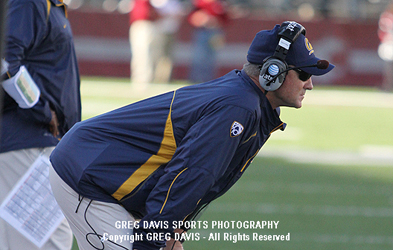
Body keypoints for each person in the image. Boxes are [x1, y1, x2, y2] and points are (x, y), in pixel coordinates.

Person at [49, 21, 334, 250]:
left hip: (104, 175)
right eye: (303, 74)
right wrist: (152, 240)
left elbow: (197, 178)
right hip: (88, 176)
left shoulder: (249, 104)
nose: (310, 84)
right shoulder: (238, 107)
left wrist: (174, 229)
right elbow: (188, 174)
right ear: (273, 73)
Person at [0, 0, 81, 249]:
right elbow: (5, 61)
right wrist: (42, 111)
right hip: (27, 141)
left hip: (40, 142)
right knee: (42, 242)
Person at [187, 0, 229, 83]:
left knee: (211, 58)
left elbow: (225, 19)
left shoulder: (219, 4)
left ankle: (208, 80)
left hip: (215, 32)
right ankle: (196, 79)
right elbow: (192, 17)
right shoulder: (199, 3)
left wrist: (216, 21)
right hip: (203, 31)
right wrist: (201, 19)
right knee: (199, 56)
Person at [129, 0, 160, 90]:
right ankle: (140, 79)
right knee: (139, 54)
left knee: (144, 54)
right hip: (139, 23)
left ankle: (143, 81)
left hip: (144, 23)